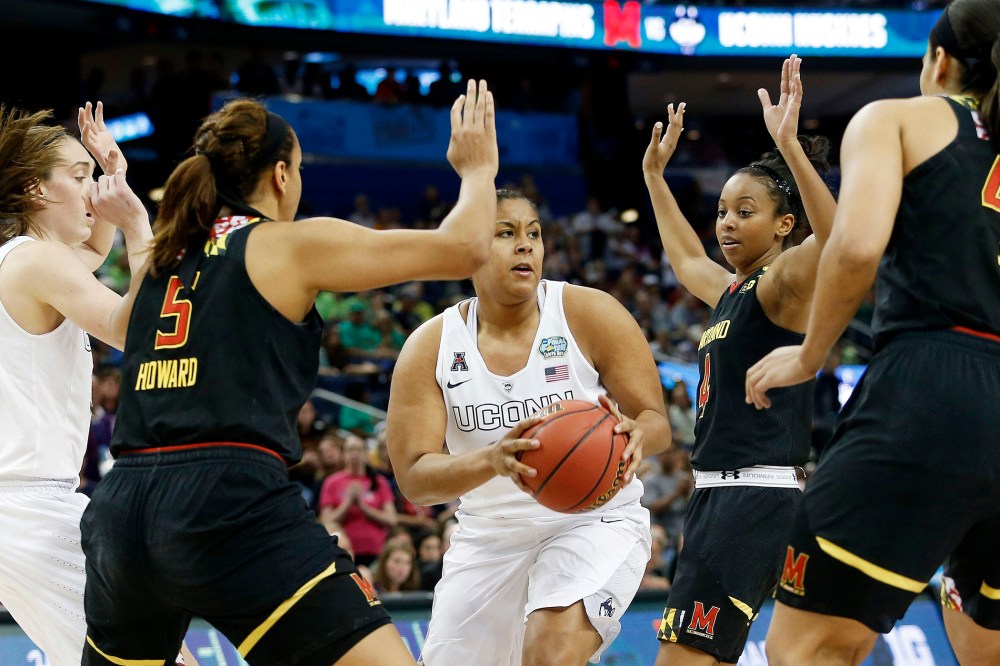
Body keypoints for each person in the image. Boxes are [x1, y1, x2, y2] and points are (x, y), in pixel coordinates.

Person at [80, 80, 498, 665]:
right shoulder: (287, 243)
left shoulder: (166, 260)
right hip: (227, 499)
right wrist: (478, 169)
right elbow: (467, 247)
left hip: (122, 509)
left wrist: (137, 230)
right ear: (281, 175)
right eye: (298, 168)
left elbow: (123, 329)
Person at [744, 3, 1000, 663]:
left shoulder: (898, 118)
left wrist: (810, 353)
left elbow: (855, 248)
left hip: (937, 385)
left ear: (938, 61)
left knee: (806, 647)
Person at [386, 189, 671, 666]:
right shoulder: (429, 346)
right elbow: (415, 480)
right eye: (506, 233)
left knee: (549, 653)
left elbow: (655, 421)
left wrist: (639, 435)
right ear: (471, 248)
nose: (526, 245)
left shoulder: (588, 312)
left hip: (595, 519)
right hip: (488, 536)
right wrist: (493, 459)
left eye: (534, 234)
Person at [642, 55, 837, 666]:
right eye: (723, 211)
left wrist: (789, 146)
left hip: (752, 495)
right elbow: (684, 259)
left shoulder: (785, 282)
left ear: (784, 225)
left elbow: (838, 240)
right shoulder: (732, 289)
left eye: (744, 212)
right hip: (720, 497)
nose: (726, 223)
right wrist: (654, 177)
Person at [0, 102, 155, 665]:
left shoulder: (29, 259)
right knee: (145, 655)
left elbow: (91, 251)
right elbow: (136, 330)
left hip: (23, 503)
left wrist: (112, 175)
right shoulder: (39, 261)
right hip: (27, 506)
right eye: (81, 176)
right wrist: (139, 224)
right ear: (36, 192)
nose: (95, 193)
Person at [318, 434, 398, 566]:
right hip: (343, 552)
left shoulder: (379, 482)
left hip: (376, 552)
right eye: (350, 450)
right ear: (343, 454)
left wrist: (363, 506)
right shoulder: (331, 482)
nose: (354, 455)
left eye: (358, 450)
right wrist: (348, 502)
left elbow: (392, 519)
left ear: (366, 453)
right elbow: (326, 521)